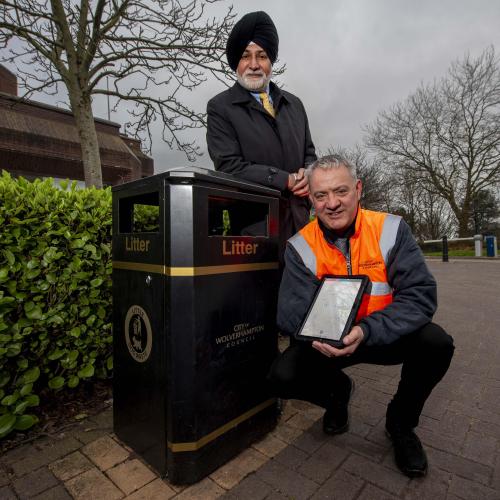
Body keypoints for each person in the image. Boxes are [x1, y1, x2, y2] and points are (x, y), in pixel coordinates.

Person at [268, 154, 454, 477]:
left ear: (358, 189)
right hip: (328, 343)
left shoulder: (391, 229)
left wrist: (367, 330)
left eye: (341, 191)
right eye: (321, 195)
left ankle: (401, 425)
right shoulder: (300, 245)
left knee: (436, 343)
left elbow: (420, 296)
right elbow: (290, 312)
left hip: (382, 334)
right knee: (282, 376)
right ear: (310, 199)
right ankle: (337, 394)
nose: (332, 203)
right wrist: (317, 337)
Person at [206, 11, 316, 247]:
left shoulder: (294, 104)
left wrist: (310, 174)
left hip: (302, 229)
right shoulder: (220, 108)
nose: (254, 65)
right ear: (236, 61)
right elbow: (229, 166)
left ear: (271, 61)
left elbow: (309, 153)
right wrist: (284, 180)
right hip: (255, 237)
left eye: (262, 56)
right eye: (246, 56)